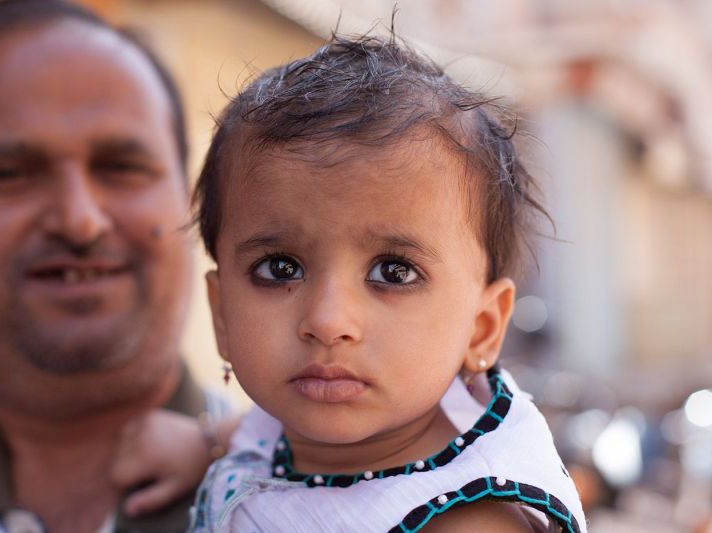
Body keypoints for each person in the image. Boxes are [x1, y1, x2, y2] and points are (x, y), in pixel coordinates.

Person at [120, 34, 589, 531]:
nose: (327, 321)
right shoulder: (285, 422)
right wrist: (205, 444)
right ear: (221, 314)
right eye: (280, 268)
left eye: (393, 272)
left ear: (481, 329)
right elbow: (259, 435)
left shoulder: (466, 518)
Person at [0, 1, 231, 531]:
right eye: (9, 173)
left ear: (195, 210)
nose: (80, 221)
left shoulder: (354, 501)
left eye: (122, 166)